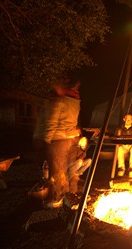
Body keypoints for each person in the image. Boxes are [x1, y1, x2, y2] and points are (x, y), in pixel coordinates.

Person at [35, 78, 81, 208]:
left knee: (57, 172)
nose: (54, 88)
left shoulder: (58, 101)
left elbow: (51, 123)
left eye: (56, 85)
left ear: (61, 87)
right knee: (65, 170)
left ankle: (58, 199)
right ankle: (68, 196)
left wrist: (46, 140)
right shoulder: (75, 101)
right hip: (68, 139)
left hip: (57, 140)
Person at [116, 113, 132, 178]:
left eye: (130, 119)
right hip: (123, 146)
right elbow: (116, 138)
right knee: (119, 149)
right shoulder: (120, 128)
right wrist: (122, 144)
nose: (128, 121)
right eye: (127, 119)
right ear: (124, 119)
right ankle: (121, 168)